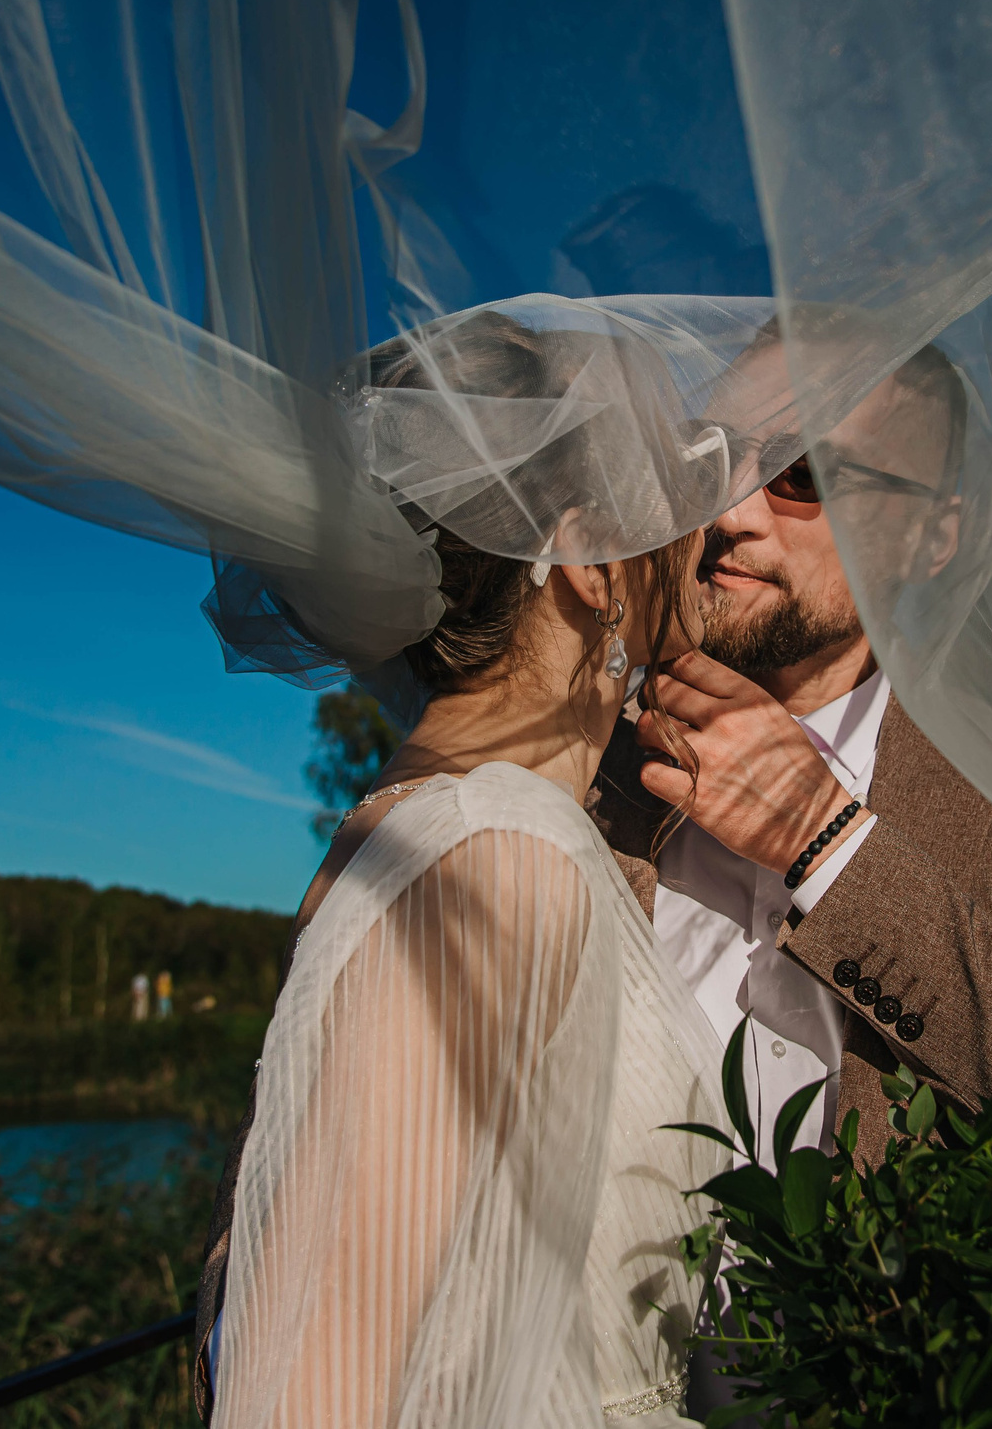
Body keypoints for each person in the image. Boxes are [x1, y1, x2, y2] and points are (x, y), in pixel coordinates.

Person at [192, 313, 731, 1427]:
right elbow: (309, 1400)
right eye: (668, 503)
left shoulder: (447, 830)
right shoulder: (491, 855)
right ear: (589, 565)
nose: (706, 533)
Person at [595, 336, 992, 1180]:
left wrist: (829, 846)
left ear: (930, 535)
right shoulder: (580, 762)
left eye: (801, 471)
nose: (732, 513)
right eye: (713, 458)